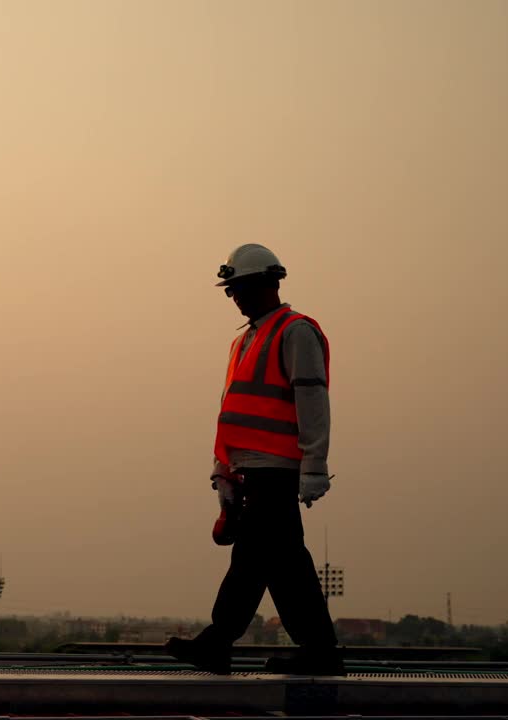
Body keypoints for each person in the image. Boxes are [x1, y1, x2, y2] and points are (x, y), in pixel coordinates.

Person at [166, 243, 344, 676]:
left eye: (241, 287)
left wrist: (315, 465)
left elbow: (312, 399)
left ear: (270, 283)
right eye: (230, 290)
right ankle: (319, 649)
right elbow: (231, 412)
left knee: (253, 560)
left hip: (278, 469)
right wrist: (223, 472)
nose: (235, 297)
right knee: (283, 564)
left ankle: (219, 639)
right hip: (250, 470)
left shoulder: (295, 331)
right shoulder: (243, 341)